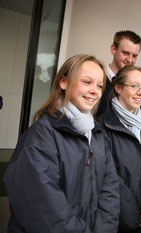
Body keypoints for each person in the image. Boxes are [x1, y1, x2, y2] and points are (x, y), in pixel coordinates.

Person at [3, 54, 120, 233]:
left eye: (99, 85)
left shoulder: (97, 135)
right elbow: (42, 208)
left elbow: (110, 190)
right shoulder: (41, 136)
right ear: (64, 82)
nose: (95, 91)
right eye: (87, 82)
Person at [101, 65, 141, 233]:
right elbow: (109, 176)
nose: (140, 93)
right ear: (118, 87)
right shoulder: (103, 126)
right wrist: (129, 214)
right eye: (134, 86)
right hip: (118, 216)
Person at [96, 30, 141, 117]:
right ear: (113, 49)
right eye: (125, 53)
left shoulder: (137, 88)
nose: (130, 59)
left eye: (134, 56)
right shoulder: (96, 80)